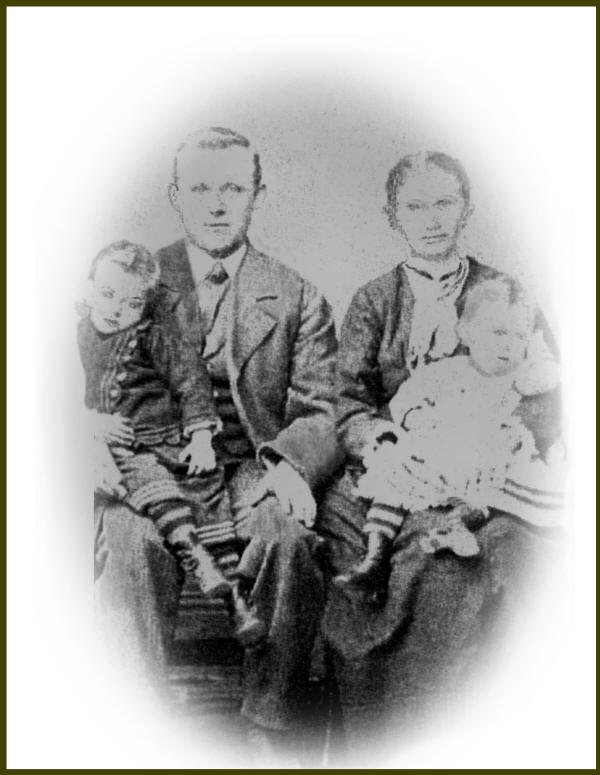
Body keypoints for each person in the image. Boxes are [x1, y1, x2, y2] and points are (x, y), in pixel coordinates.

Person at [93, 127, 340, 763]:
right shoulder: (131, 280)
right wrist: (85, 433)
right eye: (201, 188)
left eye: (233, 187)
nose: (218, 203)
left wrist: (291, 465)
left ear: (259, 194)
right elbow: (60, 373)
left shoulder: (297, 295)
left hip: (250, 464)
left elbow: (322, 408)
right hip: (149, 460)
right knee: (130, 539)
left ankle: (271, 728)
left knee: (288, 539)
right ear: (176, 196)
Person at [317, 151, 562, 749]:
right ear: (392, 216)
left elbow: (550, 392)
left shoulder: (506, 294)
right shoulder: (375, 300)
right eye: (415, 207)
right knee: (358, 548)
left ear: (466, 210)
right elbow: (348, 402)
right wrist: (385, 441)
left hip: (489, 470)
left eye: (445, 203)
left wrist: (503, 436)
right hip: (398, 463)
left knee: (479, 563)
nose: (431, 220)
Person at [80, 240, 265, 644]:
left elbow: (191, 380)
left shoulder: (151, 336)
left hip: (167, 438)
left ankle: (236, 600)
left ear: (145, 305)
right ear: (87, 288)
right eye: (107, 294)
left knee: (207, 498)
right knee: (152, 485)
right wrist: (88, 421)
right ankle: (196, 558)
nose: (116, 310)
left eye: (131, 303)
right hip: (124, 449)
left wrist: (200, 436)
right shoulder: (68, 337)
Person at [335, 276, 564, 596]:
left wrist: (537, 356)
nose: (508, 345)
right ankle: (375, 554)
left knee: (495, 487)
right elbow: (406, 401)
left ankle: (456, 526)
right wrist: (419, 419)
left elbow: (550, 375)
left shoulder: (519, 379)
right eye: (498, 333)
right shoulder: (445, 372)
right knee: (392, 478)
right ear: (466, 332)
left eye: (519, 336)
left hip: (486, 457)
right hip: (438, 452)